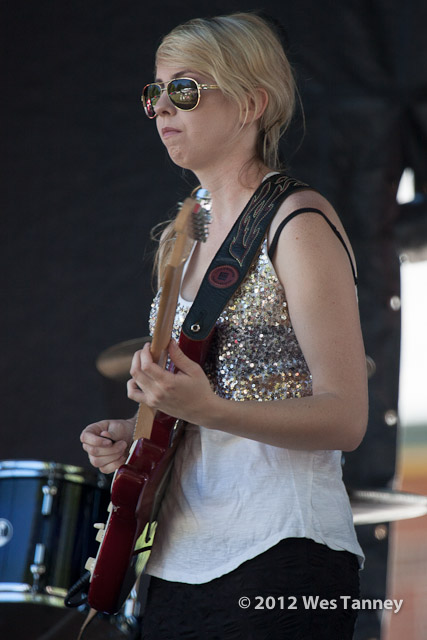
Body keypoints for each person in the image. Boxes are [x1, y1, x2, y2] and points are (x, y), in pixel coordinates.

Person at [80, 12, 368, 640]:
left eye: (184, 90)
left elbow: (346, 418)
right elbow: (208, 405)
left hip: (282, 550)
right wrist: (137, 433)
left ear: (251, 104)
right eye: (155, 92)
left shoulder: (298, 222)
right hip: (175, 562)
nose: (161, 108)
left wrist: (207, 409)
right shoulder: (185, 230)